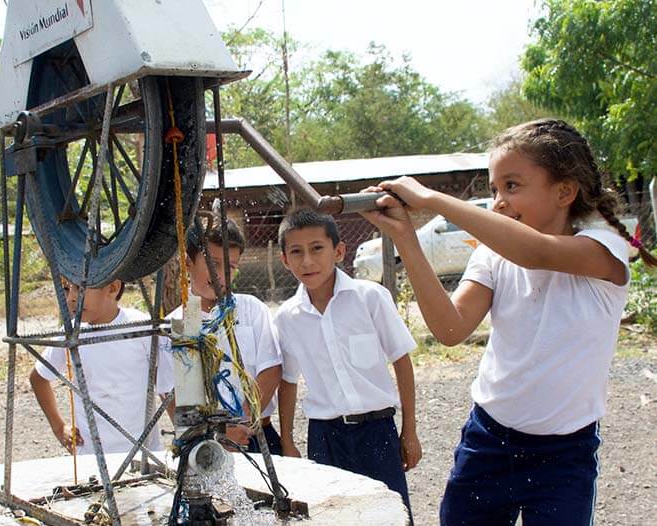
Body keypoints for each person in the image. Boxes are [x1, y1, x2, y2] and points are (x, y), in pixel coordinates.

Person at [360, 118, 656, 525]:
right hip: (488, 441)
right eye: (494, 188)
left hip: (564, 455)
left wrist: (432, 198)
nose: (498, 200)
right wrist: (407, 239)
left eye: (512, 186)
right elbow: (450, 329)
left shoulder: (603, 249)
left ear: (564, 191)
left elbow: (535, 253)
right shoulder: (492, 255)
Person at [274, 208, 420, 522]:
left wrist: (409, 431)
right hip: (325, 437)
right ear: (284, 260)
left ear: (338, 251)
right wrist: (287, 439)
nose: (307, 261)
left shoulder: (370, 298)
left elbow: (402, 361)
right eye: (296, 252)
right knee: (334, 516)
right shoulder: (287, 318)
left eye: (317, 248)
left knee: (391, 514)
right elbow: (288, 381)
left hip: (377, 431)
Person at [162, 214, 284, 455]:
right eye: (213, 263)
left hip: (255, 435)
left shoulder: (250, 308)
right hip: (204, 444)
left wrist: (243, 421)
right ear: (188, 262)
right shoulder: (177, 324)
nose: (221, 275)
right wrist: (220, 432)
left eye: (230, 266)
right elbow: (175, 397)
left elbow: (270, 369)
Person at [30, 279, 174, 455]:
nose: (71, 298)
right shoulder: (70, 334)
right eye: (67, 289)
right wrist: (59, 428)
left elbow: (167, 388)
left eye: (80, 289)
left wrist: (185, 437)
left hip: (144, 455)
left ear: (112, 288)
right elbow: (38, 378)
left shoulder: (141, 327)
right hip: (90, 457)